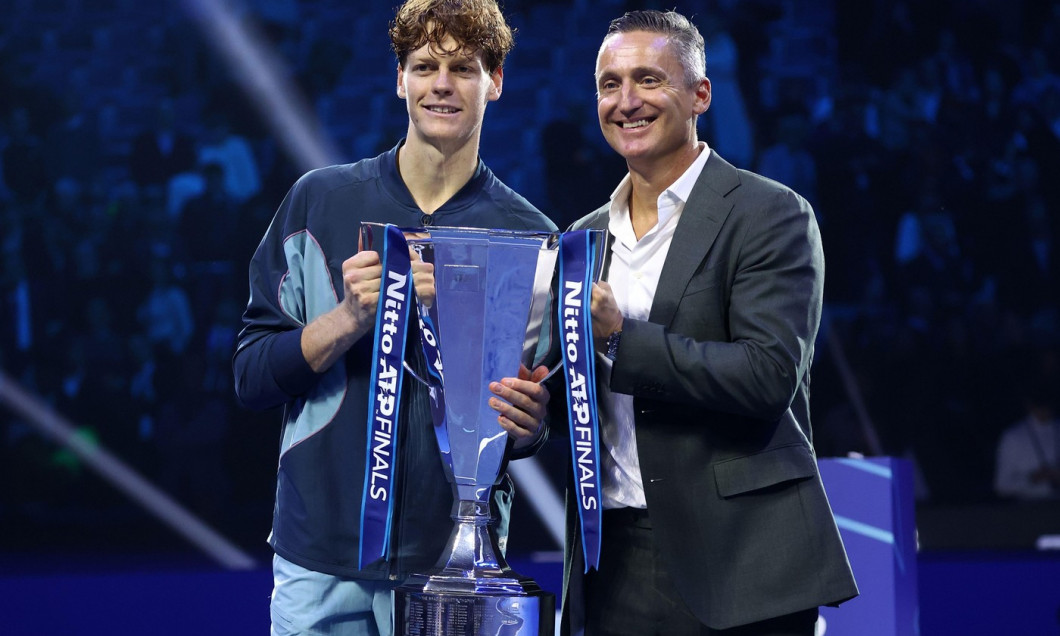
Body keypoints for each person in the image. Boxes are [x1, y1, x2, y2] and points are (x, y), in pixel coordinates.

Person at [233, 1, 556, 634]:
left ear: (495, 81)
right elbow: (251, 377)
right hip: (322, 564)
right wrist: (348, 319)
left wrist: (529, 423)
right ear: (398, 79)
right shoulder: (319, 201)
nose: (441, 84)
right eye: (424, 65)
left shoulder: (529, 237)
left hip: (459, 568)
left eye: (463, 67)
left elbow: (533, 424)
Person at [559, 10, 858, 635]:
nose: (626, 101)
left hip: (742, 560)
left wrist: (620, 335)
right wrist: (532, 410)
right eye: (609, 85)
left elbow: (766, 375)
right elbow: (585, 405)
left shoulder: (769, 214)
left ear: (700, 94)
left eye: (648, 79)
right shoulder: (581, 239)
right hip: (612, 563)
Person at [994, 380, 1060, 500]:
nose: (1046, 411)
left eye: (1049, 406)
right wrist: (1033, 478)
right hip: (1028, 509)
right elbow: (1001, 486)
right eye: (1041, 406)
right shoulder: (1013, 436)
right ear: (1029, 405)